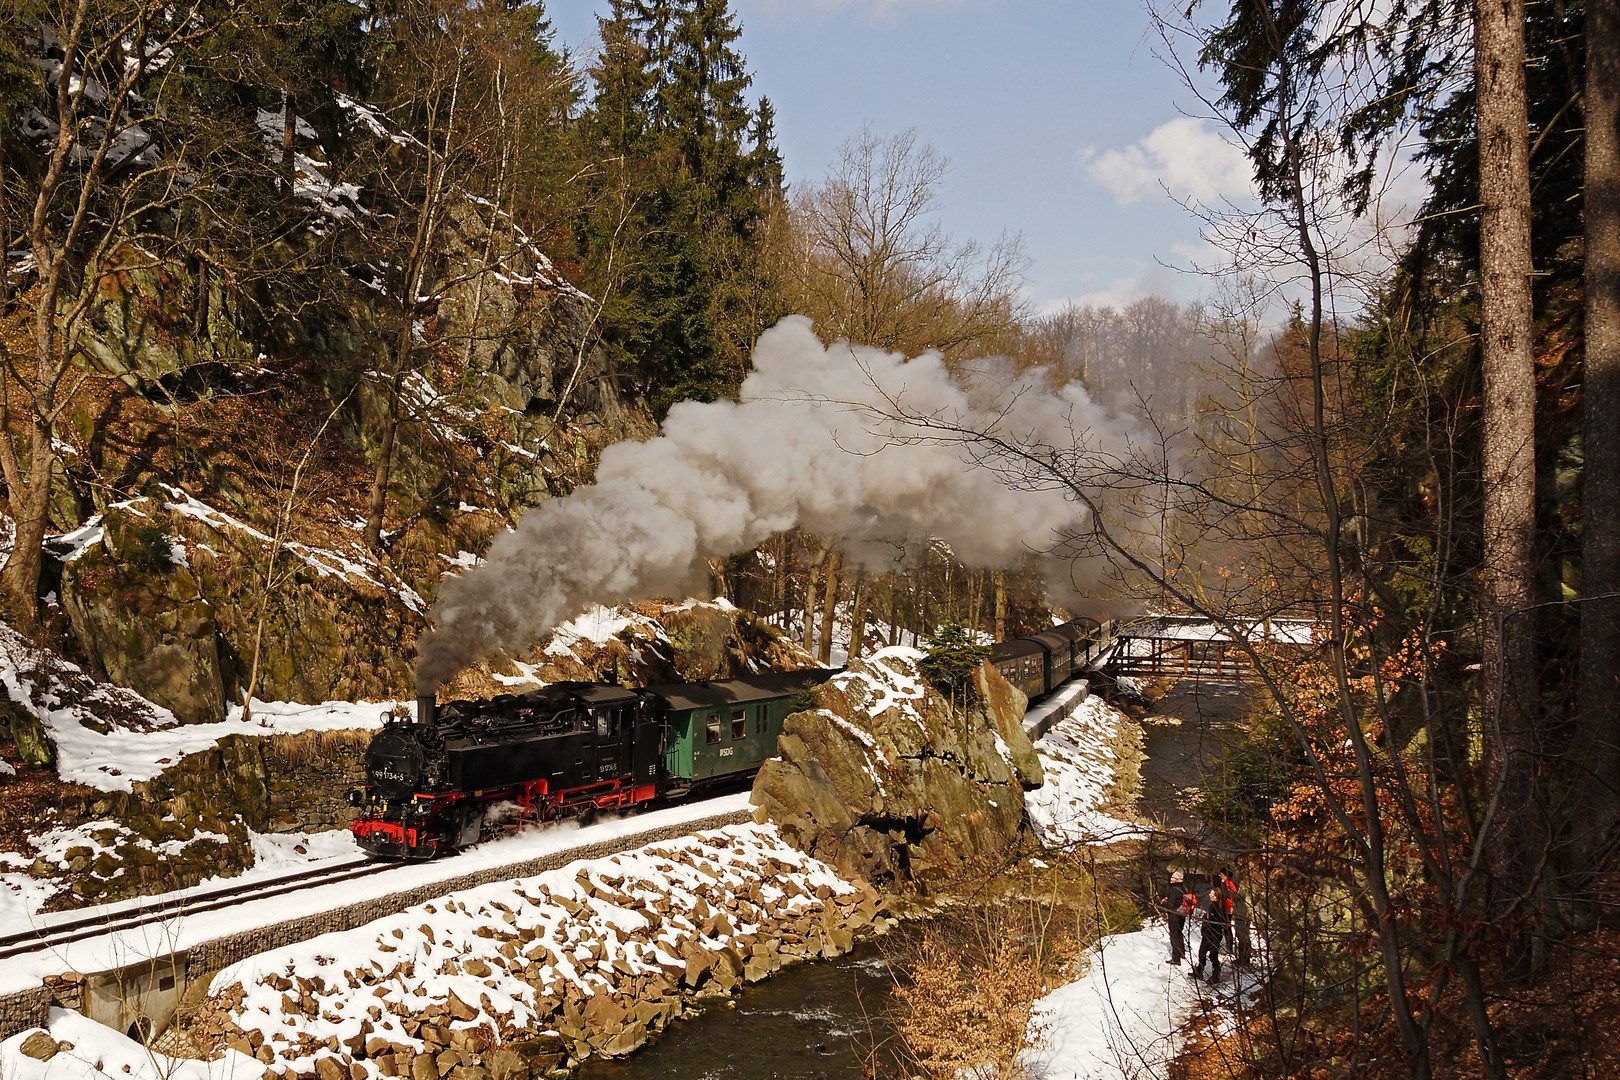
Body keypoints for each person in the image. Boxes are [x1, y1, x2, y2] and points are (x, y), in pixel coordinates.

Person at [1191, 886, 1230, 983]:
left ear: (1216, 896)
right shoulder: (1212, 905)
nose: (1209, 895)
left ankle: (1216, 975)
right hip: (1207, 934)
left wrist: (1207, 922)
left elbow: (1217, 921)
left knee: (1213, 955)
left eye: (1211, 894)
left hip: (1214, 934)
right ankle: (1199, 970)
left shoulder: (1218, 907)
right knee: (1202, 952)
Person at [1159, 871, 1196, 963]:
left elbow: (1171, 905)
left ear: (1176, 879)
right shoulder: (1184, 888)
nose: (1171, 879)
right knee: (1179, 933)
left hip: (1174, 915)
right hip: (1182, 914)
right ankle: (1182, 952)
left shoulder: (1173, 890)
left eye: (1173, 877)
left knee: (1174, 935)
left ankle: (1176, 958)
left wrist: (1164, 903)